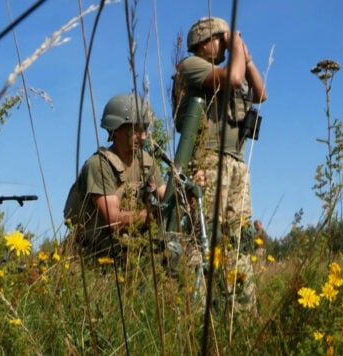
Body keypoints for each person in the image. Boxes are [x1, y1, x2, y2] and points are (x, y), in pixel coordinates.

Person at [172, 17, 268, 313]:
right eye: (220, 39)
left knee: (238, 237)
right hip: (208, 160)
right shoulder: (191, 66)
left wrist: (245, 54)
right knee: (206, 234)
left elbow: (260, 93)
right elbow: (235, 80)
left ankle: (239, 310)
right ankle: (197, 310)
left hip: (235, 163)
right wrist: (236, 44)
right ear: (203, 42)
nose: (225, 45)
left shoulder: (233, 64)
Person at [64, 93, 167, 261]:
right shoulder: (99, 165)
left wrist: (183, 194)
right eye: (135, 130)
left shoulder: (146, 162)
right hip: (92, 255)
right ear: (116, 130)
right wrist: (152, 214)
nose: (142, 137)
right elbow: (114, 221)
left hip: (129, 251)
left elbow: (165, 194)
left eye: (144, 130)